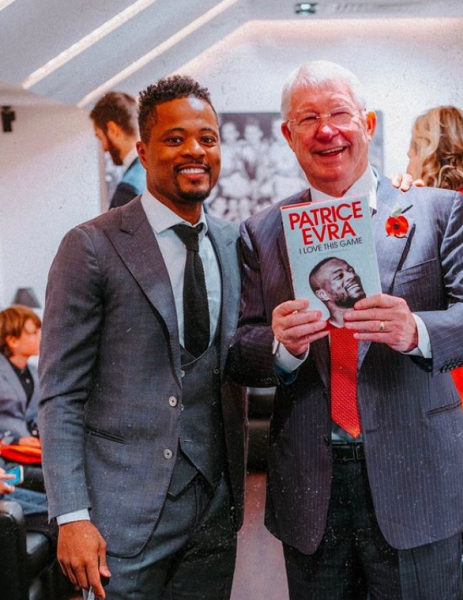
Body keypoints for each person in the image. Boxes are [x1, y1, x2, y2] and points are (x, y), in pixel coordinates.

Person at [228, 60, 463, 599]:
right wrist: (279, 346)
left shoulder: (438, 212)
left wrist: (417, 330)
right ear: (288, 135)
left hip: (418, 483)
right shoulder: (263, 232)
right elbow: (240, 349)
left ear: (368, 124)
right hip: (311, 493)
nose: (326, 130)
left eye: (340, 113)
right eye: (308, 118)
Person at [39, 75, 246, 600]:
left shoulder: (231, 241)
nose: (194, 150)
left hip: (214, 512)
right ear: (144, 150)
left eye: (207, 138)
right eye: (175, 139)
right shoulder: (91, 245)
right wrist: (71, 515)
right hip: (119, 522)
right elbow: (60, 393)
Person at [407, 106, 463, 425]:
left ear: (431, 155)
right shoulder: (462, 214)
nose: (408, 160)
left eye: (412, 150)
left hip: (450, 390)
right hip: (447, 387)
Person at [90, 91, 146, 209]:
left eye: (101, 138)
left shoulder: (128, 190)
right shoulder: (157, 171)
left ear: (112, 130)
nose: (104, 148)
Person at [0, 305, 41, 448]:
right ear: (13, 341)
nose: (41, 336)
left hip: (31, 451)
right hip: (6, 453)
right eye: (34, 333)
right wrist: (13, 440)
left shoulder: (35, 372)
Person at [309, 258, 366, 326]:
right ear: (322, 295)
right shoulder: (320, 331)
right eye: (339, 276)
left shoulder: (375, 319)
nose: (352, 276)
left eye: (351, 271)